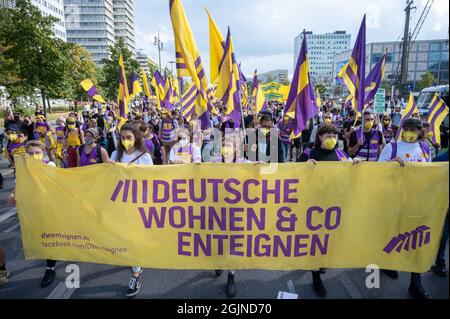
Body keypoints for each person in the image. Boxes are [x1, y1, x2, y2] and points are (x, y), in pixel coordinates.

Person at [298, 124, 360, 297]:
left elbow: (352, 173)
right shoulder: (309, 154)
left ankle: (321, 262)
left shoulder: (341, 155)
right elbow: (292, 175)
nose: (331, 137)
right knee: (314, 240)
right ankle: (315, 275)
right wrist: (304, 167)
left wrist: (357, 164)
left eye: (334, 134)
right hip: (313, 206)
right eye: (327, 134)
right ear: (319, 137)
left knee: (327, 238)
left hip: (333, 205)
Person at [378, 118, 432, 299]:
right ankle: (388, 263)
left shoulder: (425, 148)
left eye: (413, 129)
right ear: (402, 130)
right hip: (394, 201)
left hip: (417, 201)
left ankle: (415, 283)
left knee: (417, 240)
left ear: (419, 131)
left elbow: (431, 172)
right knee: (393, 235)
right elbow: (375, 173)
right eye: (407, 129)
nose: (410, 132)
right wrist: (390, 164)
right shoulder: (391, 147)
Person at [7, 140, 57, 288]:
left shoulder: (50, 166)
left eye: (37, 153)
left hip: (51, 207)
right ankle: (51, 262)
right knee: (42, 235)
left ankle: (50, 267)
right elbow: (20, 185)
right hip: (34, 208)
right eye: (31, 153)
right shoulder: (23, 169)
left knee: (52, 234)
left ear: (43, 153)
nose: (34, 156)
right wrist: (12, 193)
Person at [110, 123, 153, 298]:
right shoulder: (115, 155)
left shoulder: (144, 157)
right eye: (122, 137)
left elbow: (151, 182)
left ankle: (135, 274)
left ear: (136, 138)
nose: (126, 140)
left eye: (129, 137)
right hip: (120, 203)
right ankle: (136, 261)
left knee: (134, 236)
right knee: (125, 236)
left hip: (138, 203)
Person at [430, 149, 449, 278]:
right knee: (443, 233)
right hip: (444, 205)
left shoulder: (440, 159)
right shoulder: (440, 160)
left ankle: (440, 262)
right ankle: (440, 261)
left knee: (444, 233)